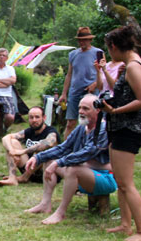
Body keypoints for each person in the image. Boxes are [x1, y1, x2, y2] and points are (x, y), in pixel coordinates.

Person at [24, 94, 115, 225]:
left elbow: (86, 153)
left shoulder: (103, 129)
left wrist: (58, 162)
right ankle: (45, 204)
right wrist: (38, 157)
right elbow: (63, 147)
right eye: (80, 108)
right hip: (86, 173)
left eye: (86, 109)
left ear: (98, 110)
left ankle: (61, 213)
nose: (81, 112)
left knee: (73, 169)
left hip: (106, 177)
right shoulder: (81, 128)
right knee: (49, 160)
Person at [98, 25, 141, 241]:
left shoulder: (134, 67)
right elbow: (123, 92)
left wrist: (114, 111)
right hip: (119, 128)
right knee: (120, 181)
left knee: (127, 183)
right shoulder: (129, 65)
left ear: (115, 46)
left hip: (128, 129)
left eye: (109, 49)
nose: (110, 54)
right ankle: (125, 224)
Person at [0, 106, 59, 186]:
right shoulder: (29, 131)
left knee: (42, 149)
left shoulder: (51, 131)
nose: (34, 120)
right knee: (12, 142)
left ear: (44, 118)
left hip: (46, 172)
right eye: (31, 117)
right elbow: (6, 138)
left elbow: (49, 143)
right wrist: (12, 150)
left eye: (37, 117)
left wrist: (22, 151)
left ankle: (24, 177)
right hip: (29, 167)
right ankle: (12, 178)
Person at [57, 27, 101, 139]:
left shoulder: (98, 53)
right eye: (80, 40)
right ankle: (65, 148)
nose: (82, 42)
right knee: (70, 122)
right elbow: (69, 74)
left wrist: (95, 84)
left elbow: (103, 72)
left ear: (90, 40)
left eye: (85, 40)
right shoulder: (73, 54)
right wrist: (64, 93)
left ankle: (90, 144)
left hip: (91, 91)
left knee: (91, 121)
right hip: (75, 91)